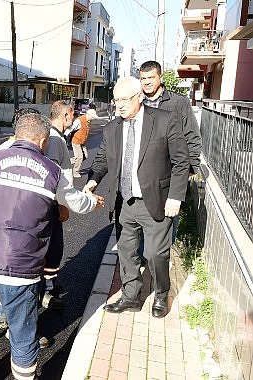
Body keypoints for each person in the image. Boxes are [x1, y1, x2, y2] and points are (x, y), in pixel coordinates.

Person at [0, 112, 103, 379]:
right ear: (43, 141)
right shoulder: (51, 172)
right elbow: (76, 202)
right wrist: (93, 202)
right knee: (22, 331)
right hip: (22, 270)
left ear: (16, 135)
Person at [83, 76, 189, 319]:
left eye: (124, 99)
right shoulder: (112, 128)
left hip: (158, 201)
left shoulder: (164, 120)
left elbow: (181, 161)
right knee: (126, 252)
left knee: (155, 254)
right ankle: (131, 297)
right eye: (116, 100)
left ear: (139, 97)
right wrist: (92, 181)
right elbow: (101, 160)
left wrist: (175, 197)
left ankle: (161, 293)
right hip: (124, 203)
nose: (119, 105)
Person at [139, 60, 203, 243]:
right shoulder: (138, 101)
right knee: (143, 215)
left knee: (168, 215)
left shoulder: (178, 103)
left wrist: (191, 167)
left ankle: (162, 257)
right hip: (143, 171)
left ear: (160, 77)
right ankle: (146, 256)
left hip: (171, 171)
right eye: (143, 78)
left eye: (151, 77)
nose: (147, 82)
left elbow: (192, 135)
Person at [40, 100, 76, 309]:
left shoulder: (56, 137)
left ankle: (50, 285)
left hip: (56, 202)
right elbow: (52, 176)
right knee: (52, 249)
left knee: (55, 248)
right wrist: (61, 204)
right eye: (71, 114)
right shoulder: (54, 139)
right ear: (65, 116)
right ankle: (46, 290)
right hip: (52, 204)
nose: (73, 118)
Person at [65, 108, 97, 178]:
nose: (93, 118)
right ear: (88, 115)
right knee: (79, 157)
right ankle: (75, 172)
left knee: (85, 156)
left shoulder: (89, 121)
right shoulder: (79, 121)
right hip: (76, 141)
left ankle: (68, 162)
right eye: (93, 117)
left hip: (82, 142)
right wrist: (64, 136)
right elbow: (71, 129)